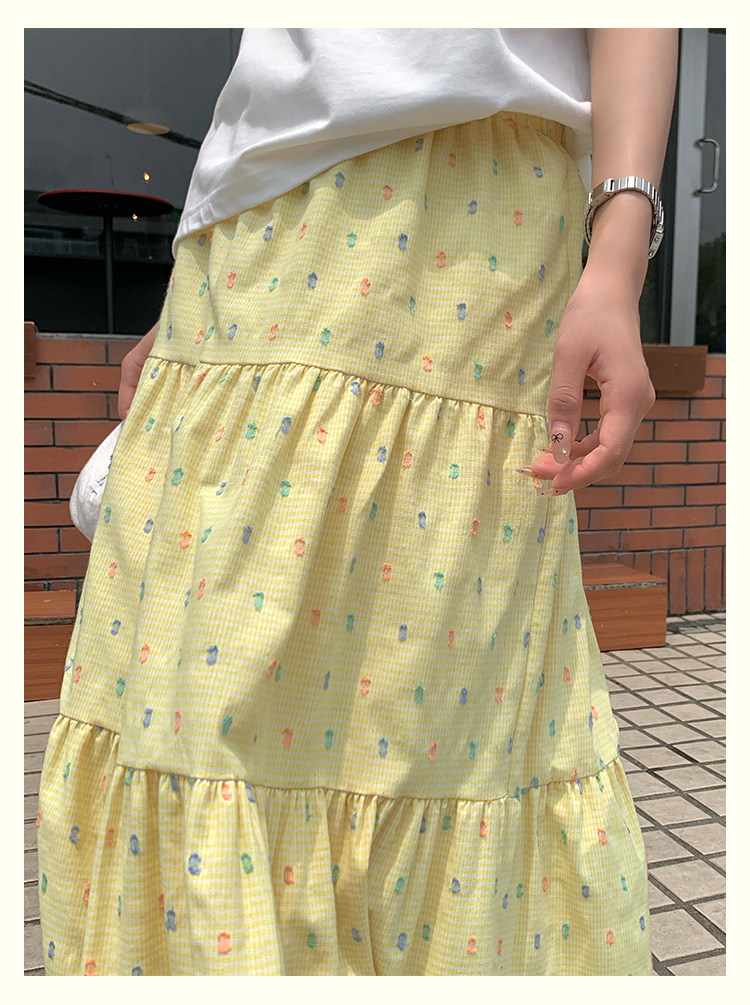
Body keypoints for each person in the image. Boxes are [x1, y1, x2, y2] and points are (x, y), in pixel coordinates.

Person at [37, 28, 678, 976]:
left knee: (437, 731)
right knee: (193, 705)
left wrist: (618, 258)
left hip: (475, 221)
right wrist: (184, 293)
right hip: (246, 246)